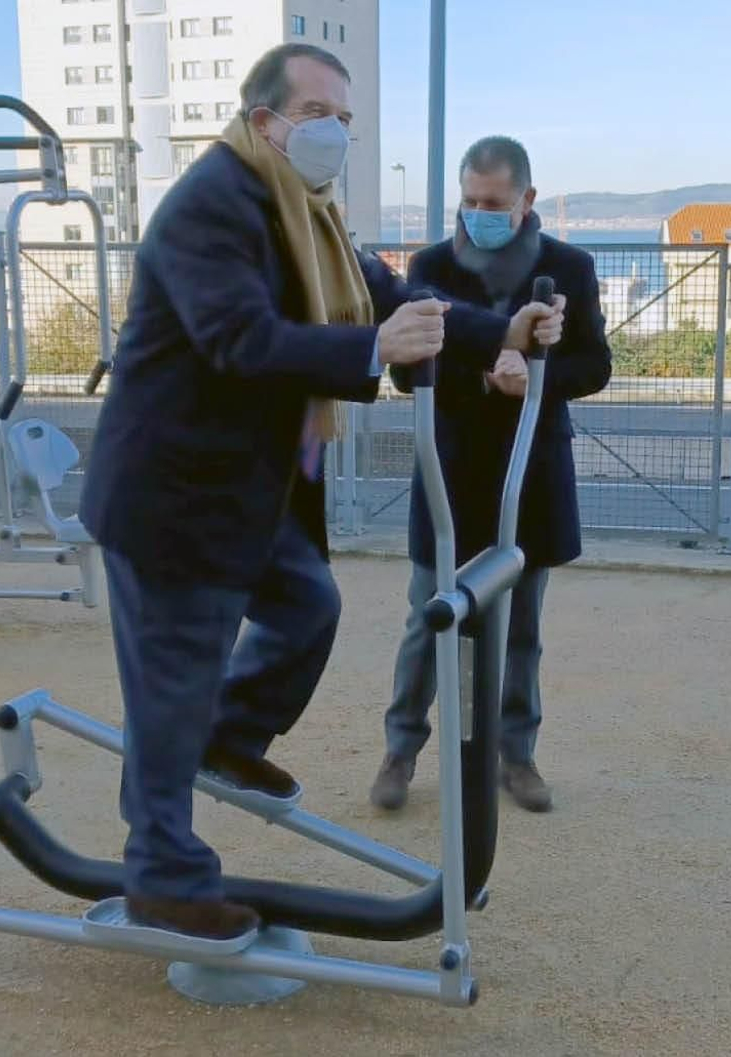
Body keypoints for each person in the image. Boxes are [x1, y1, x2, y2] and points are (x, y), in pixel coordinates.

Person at [79, 47, 565, 943]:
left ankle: (229, 733)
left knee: (308, 604)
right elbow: (238, 340)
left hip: (244, 489)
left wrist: (505, 329)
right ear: (263, 120)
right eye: (316, 113)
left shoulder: (304, 204)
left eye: (344, 118)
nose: (334, 132)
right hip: (173, 495)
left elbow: (393, 293)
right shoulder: (211, 205)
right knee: (170, 689)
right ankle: (163, 876)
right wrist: (372, 351)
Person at [369, 135, 612, 815]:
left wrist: (534, 377)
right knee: (426, 617)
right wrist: (482, 371)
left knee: (520, 623)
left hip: (529, 469)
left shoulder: (570, 267)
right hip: (448, 466)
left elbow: (594, 366)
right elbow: (401, 367)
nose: (479, 212)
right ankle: (400, 750)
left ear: (526, 200)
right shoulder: (431, 265)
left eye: (494, 203)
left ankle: (518, 754)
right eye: (470, 201)